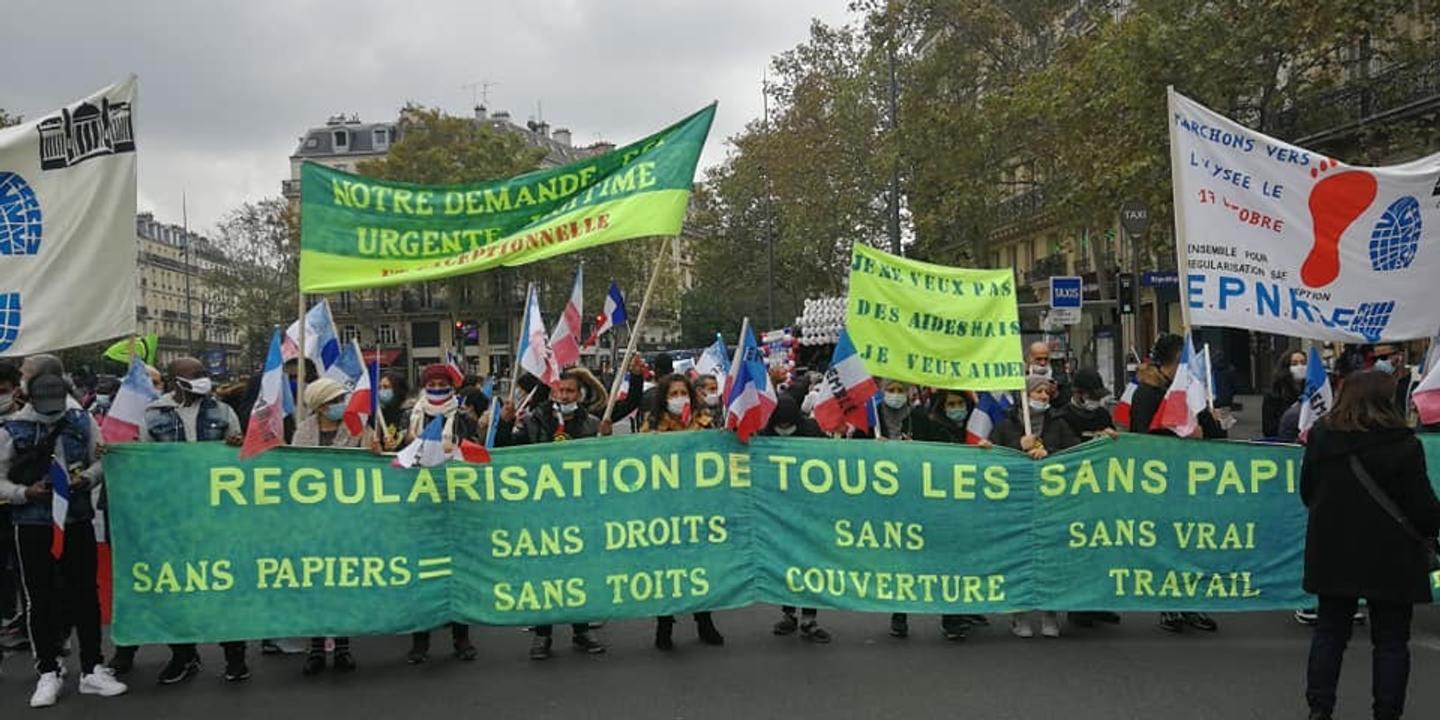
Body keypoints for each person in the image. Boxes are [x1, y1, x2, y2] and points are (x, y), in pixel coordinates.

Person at [1301, 369, 1440, 720]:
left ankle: (1319, 708)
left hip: (1332, 550)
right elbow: (1423, 510)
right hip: (1391, 555)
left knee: (1330, 633)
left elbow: (1308, 491)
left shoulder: (1321, 437)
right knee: (1391, 641)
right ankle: (1387, 712)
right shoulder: (1404, 445)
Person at [0, 355, 128, 707]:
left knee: (85, 594)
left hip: (76, 519)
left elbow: (101, 459)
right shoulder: (10, 431)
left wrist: (85, 478)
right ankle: (47, 671)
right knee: (40, 598)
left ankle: (92, 668)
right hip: (33, 524)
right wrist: (25, 493)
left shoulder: (81, 420)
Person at [128, 357, 249, 684]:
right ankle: (183, 655)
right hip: (174, 515)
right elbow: (144, 463)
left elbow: (242, 462)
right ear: (176, 380)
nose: (204, 380)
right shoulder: (154, 414)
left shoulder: (223, 412)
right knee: (177, 585)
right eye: (196, 376)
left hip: (217, 515)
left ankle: (235, 655)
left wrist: (237, 448)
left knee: (225, 584)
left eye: (204, 374)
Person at [495, 368, 608, 659]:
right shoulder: (533, 422)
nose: (565, 395)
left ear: (579, 395)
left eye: (570, 391)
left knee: (578, 572)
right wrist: (505, 426)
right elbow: (505, 454)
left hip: (578, 510)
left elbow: (605, 466)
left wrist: (607, 441)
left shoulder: (592, 424)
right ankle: (543, 634)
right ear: (551, 392)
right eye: (560, 390)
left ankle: (581, 630)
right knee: (544, 572)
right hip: (541, 510)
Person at [1129, 333, 1224, 633]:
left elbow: (1216, 435)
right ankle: (1170, 604)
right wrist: (1180, 434)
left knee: (1193, 543)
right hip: (1163, 482)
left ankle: (1193, 604)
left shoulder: (1193, 391)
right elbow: (1142, 438)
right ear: (1175, 362)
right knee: (1170, 543)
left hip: (1194, 480)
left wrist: (1211, 420)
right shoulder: (1148, 393)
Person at [992, 375, 1082, 638]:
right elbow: (991, 457)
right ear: (1026, 395)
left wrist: (1049, 452)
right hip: (1015, 505)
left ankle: (1049, 612)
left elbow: (1075, 452)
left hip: (1051, 505)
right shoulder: (1006, 425)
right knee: (1017, 557)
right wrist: (1016, 447)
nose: (1044, 396)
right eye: (1038, 391)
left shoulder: (1059, 424)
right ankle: (1018, 613)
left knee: (1050, 557)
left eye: (1046, 392)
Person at [643, 374, 724, 650]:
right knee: (667, 571)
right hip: (664, 508)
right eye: (674, 393)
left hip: (698, 506)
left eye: (684, 393)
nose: (680, 398)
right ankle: (664, 624)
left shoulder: (704, 423)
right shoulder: (652, 427)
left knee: (699, 567)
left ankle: (705, 621)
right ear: (664, 398)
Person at [405, 363, 479, 663]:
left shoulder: (463, 419)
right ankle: (420, 641)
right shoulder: (408, 416)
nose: (436, 386)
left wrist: (459, 448)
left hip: (455, 501)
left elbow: (477, 450)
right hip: (418, 506)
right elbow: (393, 451)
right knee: (421, 575)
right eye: (431, 382)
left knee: (457, 575)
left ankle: (461, 639)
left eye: (442, 381)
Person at [292, 379, 360, 675]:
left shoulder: (356, 427)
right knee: (316, 584)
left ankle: (343, 648)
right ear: (320, 406)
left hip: (346, 519)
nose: (342, 404)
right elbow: (292, 468)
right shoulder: (303, 431)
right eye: (336, 399)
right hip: (313, 519)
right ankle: (316, 648)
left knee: (342, 583)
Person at [1053, 368, 1123, 629]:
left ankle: (1098, 602)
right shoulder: (1062, 418)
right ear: (1078, 394)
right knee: (1076, 550)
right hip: (1072, 493)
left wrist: (1113, 439)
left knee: (1100, 547)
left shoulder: (1103, 415)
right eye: (1091, 396)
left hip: (1099, 490)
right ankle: (1078, 605)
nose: (1095, 401)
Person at [759, 396, 832, 643]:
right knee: (785, 564)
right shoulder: (763, 434)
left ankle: (809, 620)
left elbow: (831, 459)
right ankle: (788, 614)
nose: (784, 431)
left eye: (788, 425)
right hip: (777, 512)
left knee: (811, 565)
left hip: (810, 511)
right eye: (780, 426)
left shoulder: (812, 431)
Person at [1263, 350, 1307, 439]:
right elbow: (1269, 428)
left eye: (1303, 363)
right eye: (1294, 364)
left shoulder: (1310, 389)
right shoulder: (1274, 393)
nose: (1300, 367)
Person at [1370, 343, 1413, 420]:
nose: (1378, 362)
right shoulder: (1373, 388)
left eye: (1383, 357)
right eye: (1375, 359)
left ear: (1400, 356)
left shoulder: (1413, 386)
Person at [1026, 341, 1071, 408]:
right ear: (1029, 358)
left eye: (1046, 359)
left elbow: (1065, 405)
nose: (1043, 363)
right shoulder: (1020, 376)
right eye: (1038, 359)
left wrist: (1056, 395)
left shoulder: (1059, 378)